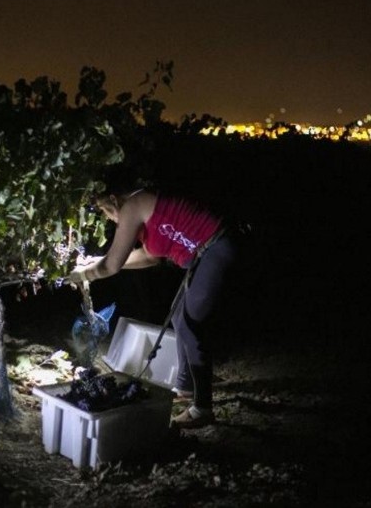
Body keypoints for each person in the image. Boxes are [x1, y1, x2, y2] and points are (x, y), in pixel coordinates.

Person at [67, 177, 241, 430]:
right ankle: (185, 387)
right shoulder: (141, 207)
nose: (110, 218)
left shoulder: (133, 205)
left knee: (192, 325)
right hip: (208, 253)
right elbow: (150, 256)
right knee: (180, 319)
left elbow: (112, 265)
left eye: (106, 211)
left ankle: (202, 408)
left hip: (218, 246)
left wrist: (81, 273)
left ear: (114, 201)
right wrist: (94, 262)